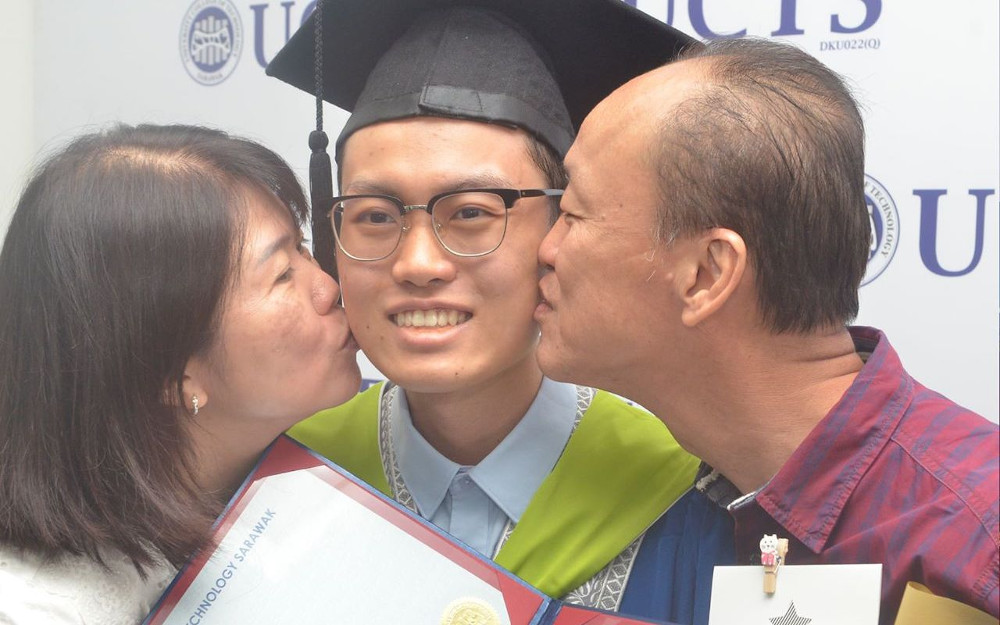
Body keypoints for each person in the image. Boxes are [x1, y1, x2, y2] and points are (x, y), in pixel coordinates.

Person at [266, 0, 733, 622]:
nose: (418, 264)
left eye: (471, 212)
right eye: (374, 216)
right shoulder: (284, 482)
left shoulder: (692, 498)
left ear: (563, 230)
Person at [533, 37, 1000, 624]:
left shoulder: (973, 546)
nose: (545, 250)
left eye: (572, 215)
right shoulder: (668, 511)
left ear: (706, 274)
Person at [0, 124, 361, 624]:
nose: (329, 287)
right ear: (170, 374)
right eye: (282, 274)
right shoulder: (42, 609)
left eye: (301, 249)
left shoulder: (317, 495)